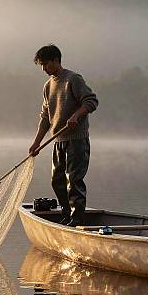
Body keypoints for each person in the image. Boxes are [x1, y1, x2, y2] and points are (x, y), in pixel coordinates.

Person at [29, 44, 98, 227]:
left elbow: (91, 101)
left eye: (46, 64)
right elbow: (45, 117)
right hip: (58, 140)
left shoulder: (73, 79)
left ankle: (77, 219)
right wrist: (36, 143)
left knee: (74, 180)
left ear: (56, 60)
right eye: (41, 66)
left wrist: (76, 115)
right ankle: (67, 215)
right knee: (57, 181)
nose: (44, 69)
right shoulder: (47, 86)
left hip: (77, 140)